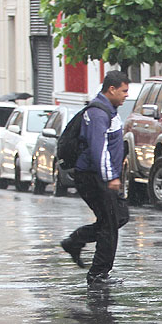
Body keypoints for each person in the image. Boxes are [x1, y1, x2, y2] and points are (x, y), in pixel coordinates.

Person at [60, 70, 131, 285]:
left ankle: (76, 241)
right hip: (94, 177)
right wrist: (110, 177)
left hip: (99, 176)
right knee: (110, 223)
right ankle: (98, 274)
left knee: (118, 217)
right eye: (124, 91)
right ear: (112, 89)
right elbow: (98, 149)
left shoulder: (109, 110)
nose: (126, 95)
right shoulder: (99, 113)